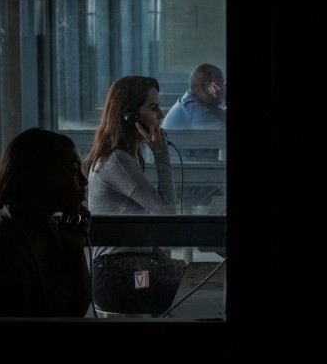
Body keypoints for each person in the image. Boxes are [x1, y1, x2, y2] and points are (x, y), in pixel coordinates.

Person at [82, 75, 186, 316]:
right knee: (192, 289)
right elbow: (167, 212)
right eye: (153, 107)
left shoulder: (127, 156)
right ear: (130, 115)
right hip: (118, 275)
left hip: (131, 268)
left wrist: (165, 262)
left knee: (190, 279)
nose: (161, 114)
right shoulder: (117, 161)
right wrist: (161, 155)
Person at [0, 128, 91, 317]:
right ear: (41, 178)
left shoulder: (46, 230)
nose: (84, 181)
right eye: (74, 171)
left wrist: (75, 250)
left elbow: (75, 311)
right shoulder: (1, 257)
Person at [162, 63, 226, 212]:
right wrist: (224, 99)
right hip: (185, 182)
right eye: (221, 83)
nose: (224, 87)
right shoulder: (193, 110)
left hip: (192, 175)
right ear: (206, 87)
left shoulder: (203, 106)